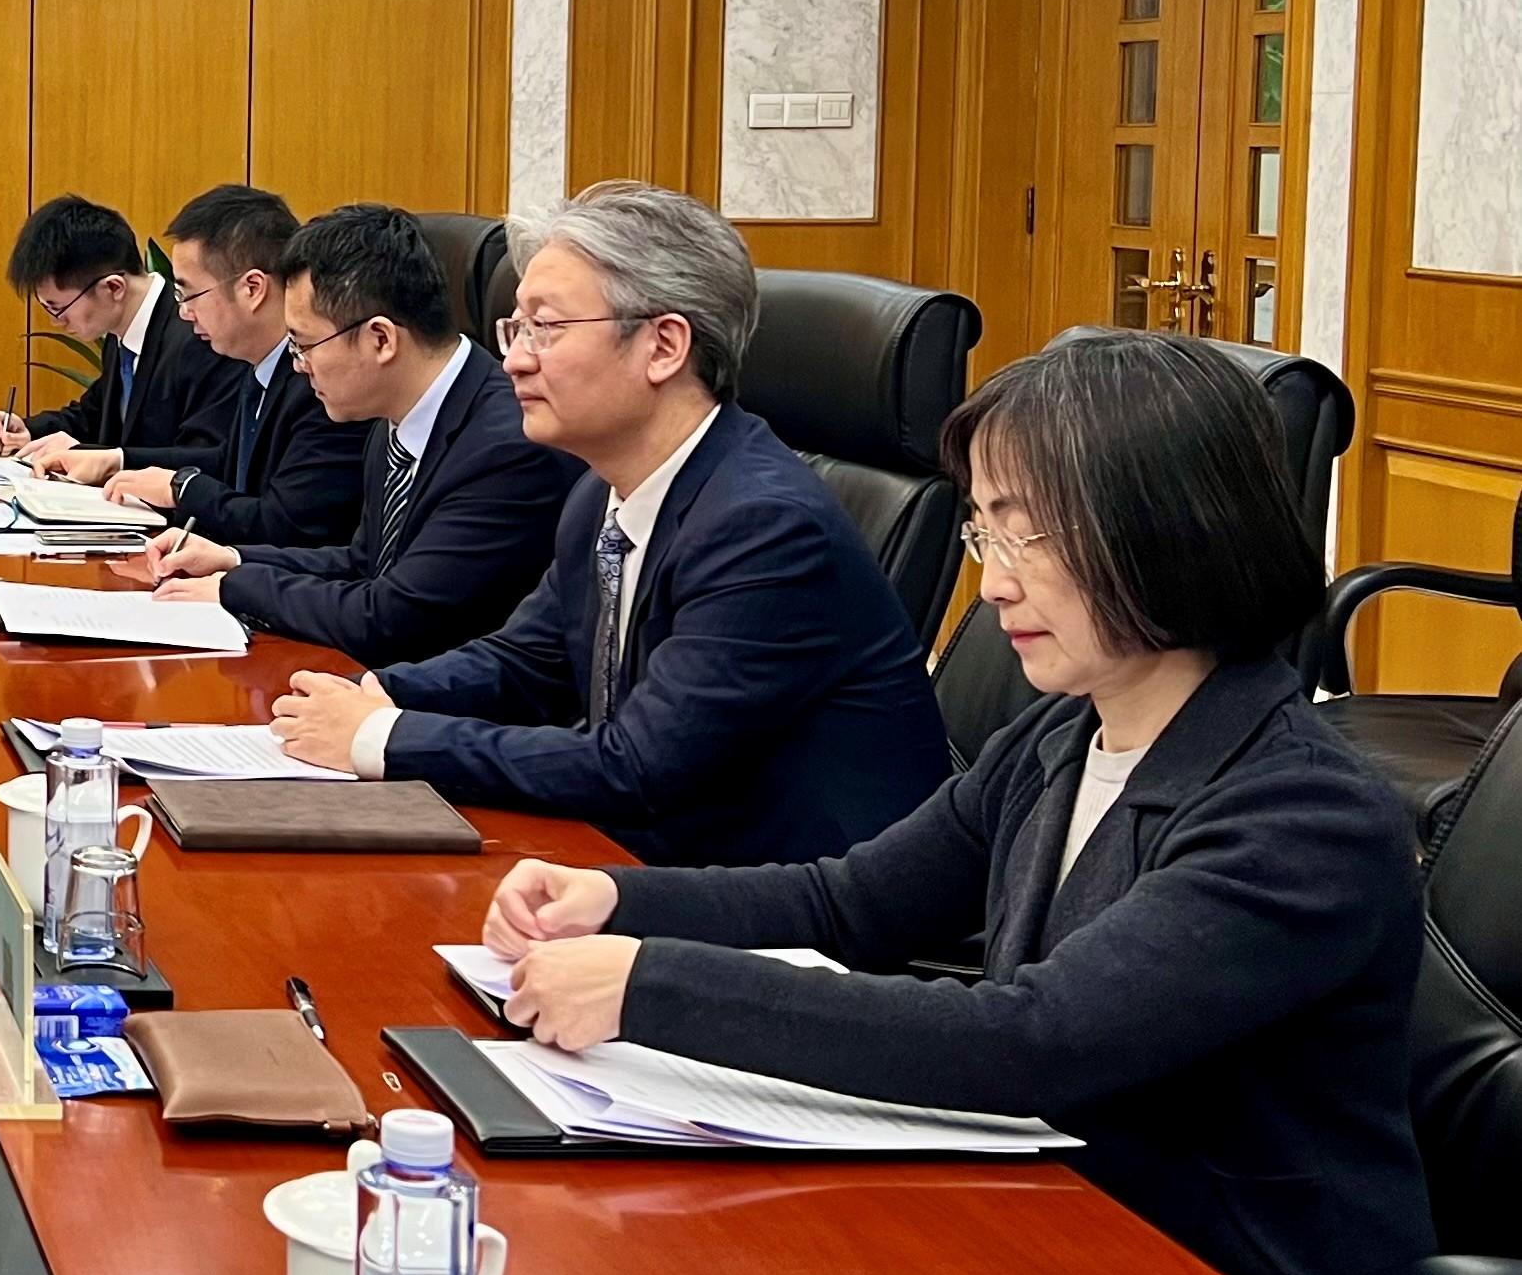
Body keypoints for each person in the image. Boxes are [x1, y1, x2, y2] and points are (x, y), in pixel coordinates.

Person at [492, 329, 1431, 1275]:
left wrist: (650, 985)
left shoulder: (1303, 814)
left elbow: (1034, 1038)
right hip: (1055, 1241)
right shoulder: (1063, 735)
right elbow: (851, 901)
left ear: (1168, 528)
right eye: (985, 533)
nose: (991, 584)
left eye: (1028, 534)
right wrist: (612, 898)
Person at [263, 183, 949, 863]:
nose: (515, 358)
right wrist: (373, 693)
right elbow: (527, 662)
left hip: (789, 915)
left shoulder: (764, 526)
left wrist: (383, 736)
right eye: (515, 327)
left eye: (547, 328)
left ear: (663, 346)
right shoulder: (602, 491)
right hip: (654, 858)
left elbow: (636, 766)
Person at [125, 202, 573, 667]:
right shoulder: (395, 418)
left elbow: (388, 616)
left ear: (381, 340)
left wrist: (236, 588)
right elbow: (364, 564)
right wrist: (233, 559)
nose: (298, 364)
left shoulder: (506, 448)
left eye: (304, 344)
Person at [94, 185, 362, 548]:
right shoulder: (261, 367)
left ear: (252, 288)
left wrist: (183, 489)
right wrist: (121, 461)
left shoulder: (319, 381)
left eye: (189, 295)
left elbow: (285, 526)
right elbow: (229, 463)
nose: (184, 312)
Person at [0, 193, 228, 481]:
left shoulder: (198, 337)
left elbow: (203, 459)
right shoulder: (122, 333)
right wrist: (29, 431)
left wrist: (89, 454)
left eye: (58, 307)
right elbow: (93, 414)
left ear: (113, 288)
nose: (56, 321)